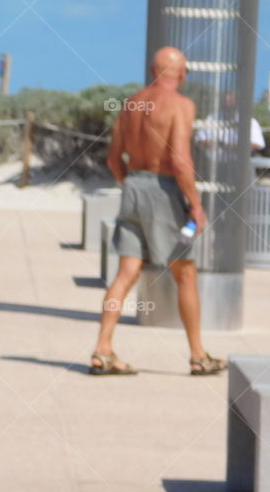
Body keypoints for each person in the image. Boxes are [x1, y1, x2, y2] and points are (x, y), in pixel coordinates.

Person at [91, 46, 226, 376]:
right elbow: (180, 160)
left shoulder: (131, 103)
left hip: (134, 185)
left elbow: (113, 158)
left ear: (154, 71)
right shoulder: (181, 105)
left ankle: (102, 349)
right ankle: (198, 356)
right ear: (179, 73)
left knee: (125, 274)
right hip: (163, 191)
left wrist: (131, 186)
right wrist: (195, 205)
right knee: (186, 273)